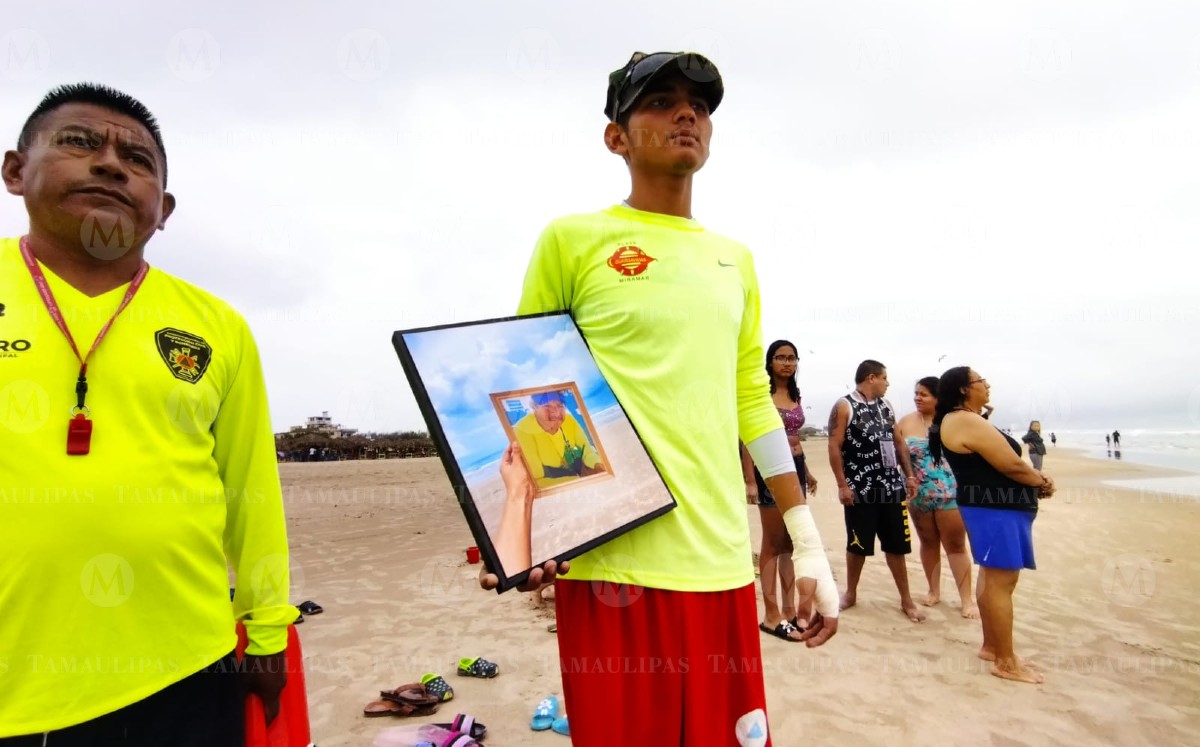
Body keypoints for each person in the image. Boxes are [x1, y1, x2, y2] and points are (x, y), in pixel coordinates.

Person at [480, 51, 839, 746]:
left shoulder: (734, 258)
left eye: (700, 105)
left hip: (722, 564)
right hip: (614, 567)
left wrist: (807, 541)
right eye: (663, 100)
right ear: (616, 136)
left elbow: (751, 403)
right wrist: (524, 534)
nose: (688, 114)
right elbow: (528, 390)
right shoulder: (573, 239)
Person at [0, 84, 296, 743]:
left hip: (187, 668)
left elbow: (251, 490)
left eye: (137, 159)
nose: (109, 163)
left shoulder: (217, 325)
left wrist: (269, 628)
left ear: (161, 209)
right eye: (79, 142)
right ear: (16, 170)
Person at [929, 367, 1055, 685]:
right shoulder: (962, 419)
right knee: (1002, 582)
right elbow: (1009, 463)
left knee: (991, 577)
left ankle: (992, 647)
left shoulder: (962, 418)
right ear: (963, 389)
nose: (987, 385)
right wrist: (1041, 481)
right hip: (995, 510)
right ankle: (1006, 662)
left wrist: (982, 414)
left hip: (991, 509)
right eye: (980, 381)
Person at [829, 360, 925, 622]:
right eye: (884, 378)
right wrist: (842, 485)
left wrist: (909, 476)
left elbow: (898, 442)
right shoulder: (845, 405)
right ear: (871, 377)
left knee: (896, 545)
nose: (888, 383)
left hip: (891, 487)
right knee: (858, 543)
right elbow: (835, 446)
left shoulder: (886, 406)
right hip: (860, 488)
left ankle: (906, 599)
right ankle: (850, 593)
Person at [740, 340, 819, 642]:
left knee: (791, 540)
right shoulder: (762, 395)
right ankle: (770, 615)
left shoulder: (794, 395)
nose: (787, 363)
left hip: (795, 469)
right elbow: (749, 438)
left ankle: (789, 611)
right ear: (770, 362)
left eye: (792, 358)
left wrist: (808, 472)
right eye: (780, 358)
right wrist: (749, 479)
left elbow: (796, 438)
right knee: (773, 540)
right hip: (767, 471)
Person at [896, 376, 978, 618]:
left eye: (924, 394)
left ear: (938, 397)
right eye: (916, 393)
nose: (917, 398)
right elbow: (894, 454)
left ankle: (967, 600)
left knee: (955, 546)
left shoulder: (953, 421)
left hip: (950, 494)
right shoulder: (905, 422)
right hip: (918, 496)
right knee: (928, 543)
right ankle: (933, 592)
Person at [513, 390, 605, 489]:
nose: (556, 412)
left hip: (576, 469)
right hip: (555, 480)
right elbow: (536, 477)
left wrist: (598, 465)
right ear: (534, 408)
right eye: (547, 406)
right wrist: (576, 481)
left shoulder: (569, 420)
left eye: (560, 405)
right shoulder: (523, 430)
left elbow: (587, 451)